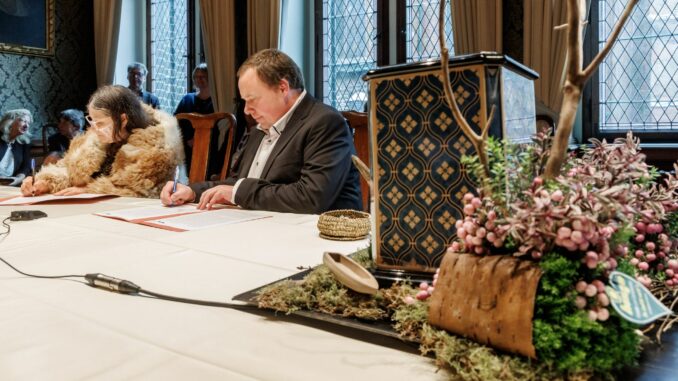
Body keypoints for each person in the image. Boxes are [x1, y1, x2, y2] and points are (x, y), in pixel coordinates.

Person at [161, 49, 362, 214]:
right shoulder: (262, 127)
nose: (247, 110)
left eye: (252, 100)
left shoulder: (325, 122)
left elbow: (311, 198)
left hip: (318, 242)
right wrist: (191, 191)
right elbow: (239, 182)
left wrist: (237, 192)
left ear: (283, 88)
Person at [21, 85, 184, 198]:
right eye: (91, 122)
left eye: (100, 123)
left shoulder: (159, 147)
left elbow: (142, 191)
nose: (94, 129)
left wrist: (90, 191)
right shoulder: (98, 137)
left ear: (123, 119)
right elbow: (69, 167)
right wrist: (45, 181)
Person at [174, 63, 218, 174]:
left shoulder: (217, 101)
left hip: (211, 148)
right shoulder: (187, 99)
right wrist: (188, 139)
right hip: (188, 148)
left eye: (203, 76)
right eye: (196, 77)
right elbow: (177, 121)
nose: (199, 79)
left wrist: (201, 140)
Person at [0, 109, 33, 186]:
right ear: (10, 121)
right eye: (23, 121)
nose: (26, 125)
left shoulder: (24, 144)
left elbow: (26, 167)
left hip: (9, 184)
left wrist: (18, 179)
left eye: (28, 123)